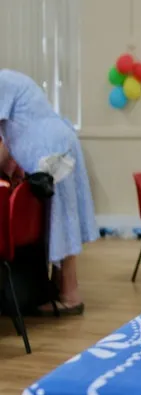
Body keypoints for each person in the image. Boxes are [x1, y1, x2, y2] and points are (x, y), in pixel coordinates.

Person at [0, 69, 98, 315]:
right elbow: (9, 140)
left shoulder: (2, 82)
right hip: (56, 143)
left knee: (61, 221)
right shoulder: (13, 79)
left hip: (48, 148)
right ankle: (58, 289)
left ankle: (69, 294)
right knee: (63, 220)